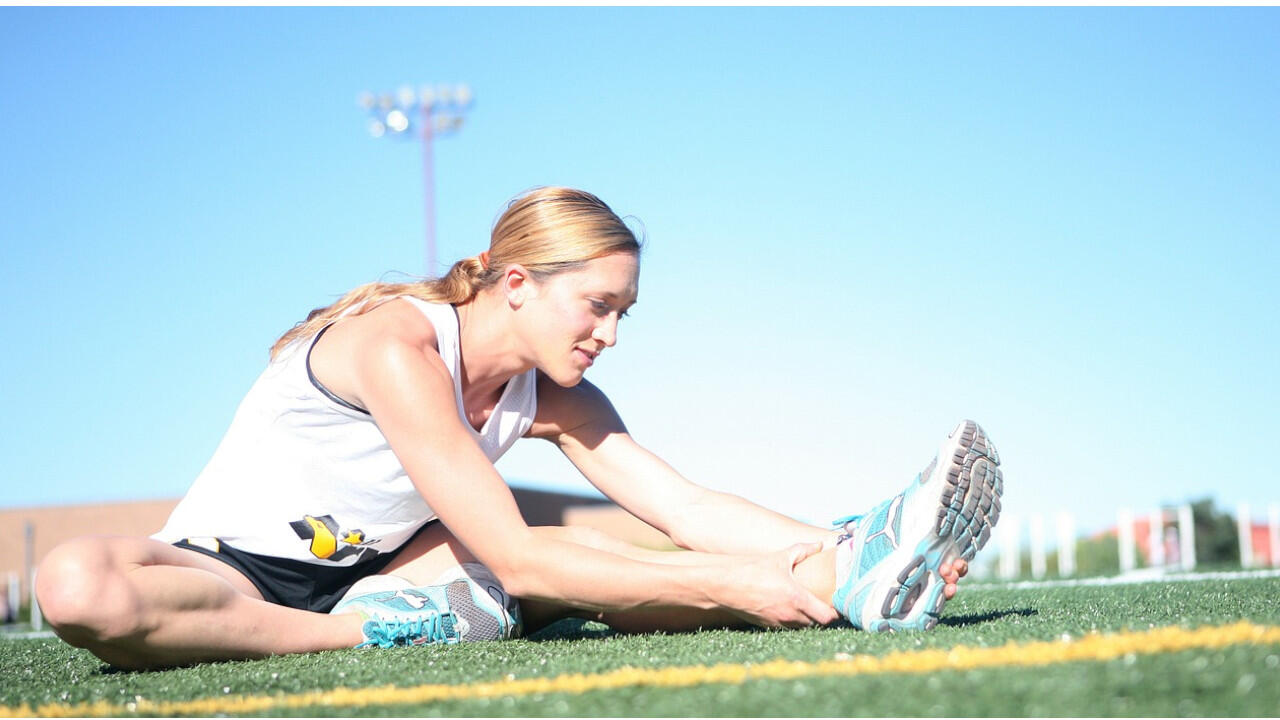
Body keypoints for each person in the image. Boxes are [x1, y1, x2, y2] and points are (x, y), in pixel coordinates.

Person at [35, 187, 1002, 670]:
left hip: (395, 569)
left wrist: (834, 547)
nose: (610, 334)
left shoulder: (555, 394)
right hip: (228, 573)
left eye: (624, 313)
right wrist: (742, 585)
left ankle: (852, 568)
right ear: (514, 283)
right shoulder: (394, 347)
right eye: (596, 305)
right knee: (74, 583)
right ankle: (363, 638)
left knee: (580, 565)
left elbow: (682, 504)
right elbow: (518, 554)